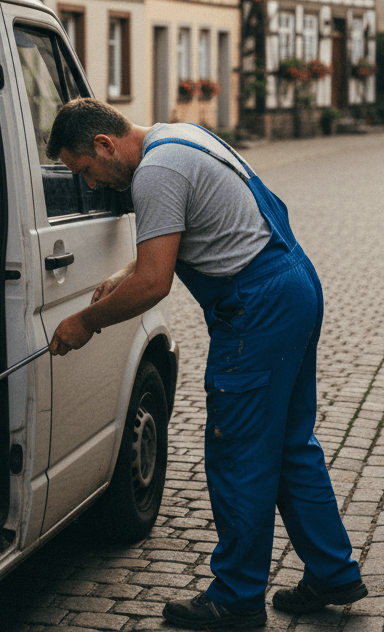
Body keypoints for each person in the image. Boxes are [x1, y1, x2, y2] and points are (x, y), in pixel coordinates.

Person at [47, 98, 366, 630]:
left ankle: (237, 597)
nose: (93, 184)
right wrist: (128, 270)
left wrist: (87, 321)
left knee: (237, 449)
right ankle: (333, 572)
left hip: (257, 307)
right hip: (292, 284)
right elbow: (185, 232)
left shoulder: (154, 173)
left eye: (86, 171)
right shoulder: (178, 137)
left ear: (103, 144)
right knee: (289, 443)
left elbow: (156, 282)